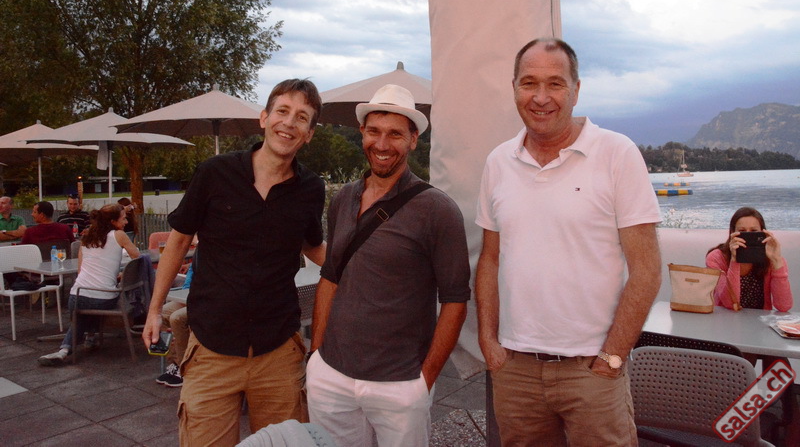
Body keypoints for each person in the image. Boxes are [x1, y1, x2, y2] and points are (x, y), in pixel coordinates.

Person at [475, 38, 662, 446]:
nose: (541, 97)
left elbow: (647, 270)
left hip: (592, 370)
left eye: (555, 84)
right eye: (529, 83)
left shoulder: (616, 153)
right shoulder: (498, 162)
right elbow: (490, 259)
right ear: (513, 89)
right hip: (516, 370)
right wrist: (488, 342)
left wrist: (612, 357)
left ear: (576, 90)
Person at [141, 79, 327, 447]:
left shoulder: (311, 188)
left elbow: (312, 244)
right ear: (264, 118)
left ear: (309, 134)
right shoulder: (215, 173)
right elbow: (178, 240)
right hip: (212, 348)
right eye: (283, 111)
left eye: (301, 117)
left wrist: (363, 269)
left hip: (278, 350)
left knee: (285, 444)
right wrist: (155, 308)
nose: (289, 123)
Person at [306, 84, 471, 447]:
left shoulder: (437, 210)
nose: (382, 144)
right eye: (374, 131)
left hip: (400, 384)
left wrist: (424, 381)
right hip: (331, 375)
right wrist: (316, 356)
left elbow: (455, 301)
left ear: (413, 140)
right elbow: (330, 277)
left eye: (395, 134)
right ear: (362, 133)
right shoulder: (344, 198)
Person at [37, 203, 140, 365]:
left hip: (76, 295)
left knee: (82, 314)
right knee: (102, 297)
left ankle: (65, 350)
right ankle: (88, 337)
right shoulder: (119, 235)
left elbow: (80, 270)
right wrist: (122, 274)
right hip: (104, 298)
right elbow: (137, 257)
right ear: (113, 221)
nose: (126, 222)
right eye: (123, 219)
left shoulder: (86, 237)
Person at [707, 206, 792, 312]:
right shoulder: (716, 258)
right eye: (742, 231)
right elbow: (730, 303)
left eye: (754, 231)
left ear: (763, 232)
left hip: (759, 319)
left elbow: (784, 306)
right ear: (732, 232)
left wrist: (777, 262)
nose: (748, 236)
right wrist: (734, 260)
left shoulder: (771, 258)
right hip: (726, 318)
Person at [155, 262, 194, 388]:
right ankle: (175, 363)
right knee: (161, 313)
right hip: (187, 293)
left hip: (203, 299)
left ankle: (185, 367)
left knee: (177, 318)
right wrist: (190, 264)